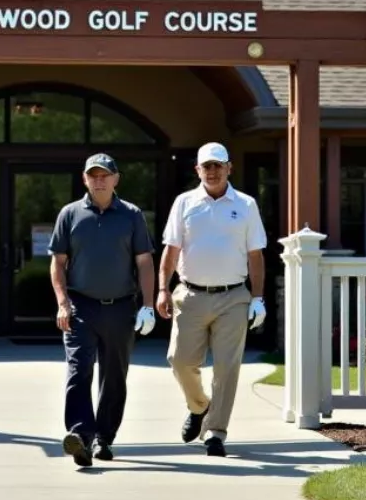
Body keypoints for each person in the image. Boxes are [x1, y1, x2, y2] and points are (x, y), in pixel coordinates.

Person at [156, 142, 267, 457]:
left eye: (218, 165)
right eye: (207, 166)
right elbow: (171, 249)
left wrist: (257, 298)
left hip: (233, 297)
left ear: (229, 168)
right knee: (179, 361)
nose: (213, 171)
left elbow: (255, 253)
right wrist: (163, 288)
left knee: (226, 369)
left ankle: (215, 432)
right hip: (190, 294)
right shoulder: (184, 202)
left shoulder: (246, 205)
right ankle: (199, 406)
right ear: (198, 170)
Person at [50, 153, 157, 467]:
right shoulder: (69, 214)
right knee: (78, 370)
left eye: (104, 175)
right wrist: (62, 303)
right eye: (92, 175)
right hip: (80, 306)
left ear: (115, 179)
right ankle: (81, 436)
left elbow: (144, 262)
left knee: (114, 377)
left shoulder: (132, 215)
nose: (99, 180)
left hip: (121, 307)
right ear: (85, 179)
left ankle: (104, 438)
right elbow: (58, 263)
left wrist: (148, 306)